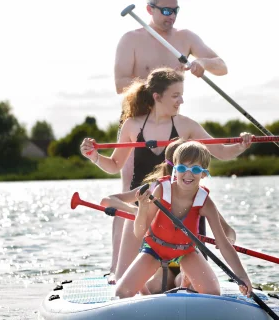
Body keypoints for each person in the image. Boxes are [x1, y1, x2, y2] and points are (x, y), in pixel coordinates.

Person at [80, 67, 251, 283]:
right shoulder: (132, 125)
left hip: (178, 209)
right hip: (142, 207)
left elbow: (222, 152)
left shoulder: (186, 125)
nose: (181, 100)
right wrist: (93, 155)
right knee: (122, 280)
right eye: (175, 95)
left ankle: (179, 279)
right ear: (156, 96)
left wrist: (241, 145)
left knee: (184, 281)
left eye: (181, 94)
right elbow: (114, 165)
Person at [110, 0, 230, 285]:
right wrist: (160, 83)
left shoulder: (186, 37)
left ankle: (182, 267)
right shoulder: (131, 39)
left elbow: (222, 66)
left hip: (172, 123)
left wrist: (202, 64)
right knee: (133, 192)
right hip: (138, 124)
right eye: (165, 10)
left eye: (175, 10)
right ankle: (118, 269)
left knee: (177, 189)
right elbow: (120, 83)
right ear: (149, 9)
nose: (171, 16)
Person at [115, 141, 253, 299]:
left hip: (185, 251)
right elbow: (139, 233)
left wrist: (242, 276)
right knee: (122, 293)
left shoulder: (205, 201)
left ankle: (184, 282)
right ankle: (148, 287)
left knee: (213, 293)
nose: (188, 174)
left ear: (203, 174)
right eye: (182, 168)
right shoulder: (161, 190)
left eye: (195, 169)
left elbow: (223, 243)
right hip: (154, 249)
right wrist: (143, 209)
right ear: (174, 170)